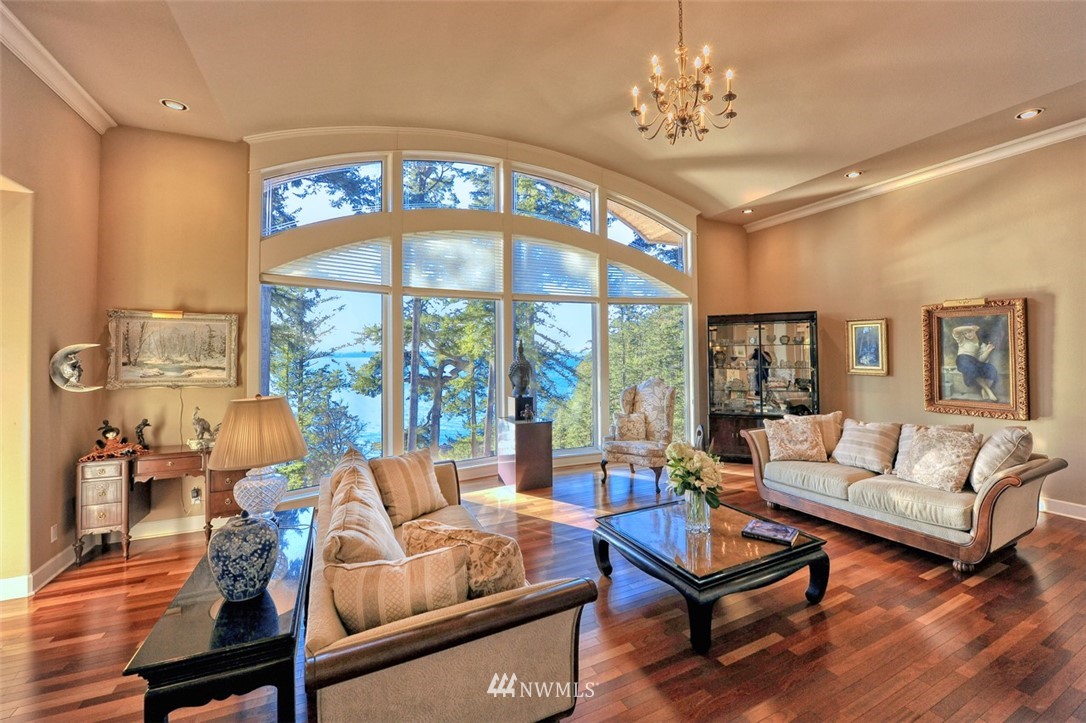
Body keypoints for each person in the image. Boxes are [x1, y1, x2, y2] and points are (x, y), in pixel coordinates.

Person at [951, 325, 999, 401]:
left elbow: (981, 360)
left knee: (991, 368)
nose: (968, 334)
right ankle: (988, 391)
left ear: (975, 331)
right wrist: (970, 327)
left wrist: (988, 351)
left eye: (970, 332)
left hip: (974, 361)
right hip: (963, 359)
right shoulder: (962, 340)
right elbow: (955, 330)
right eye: (965, 333)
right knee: (971, 368)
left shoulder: (981, 344)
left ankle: (984, 390)